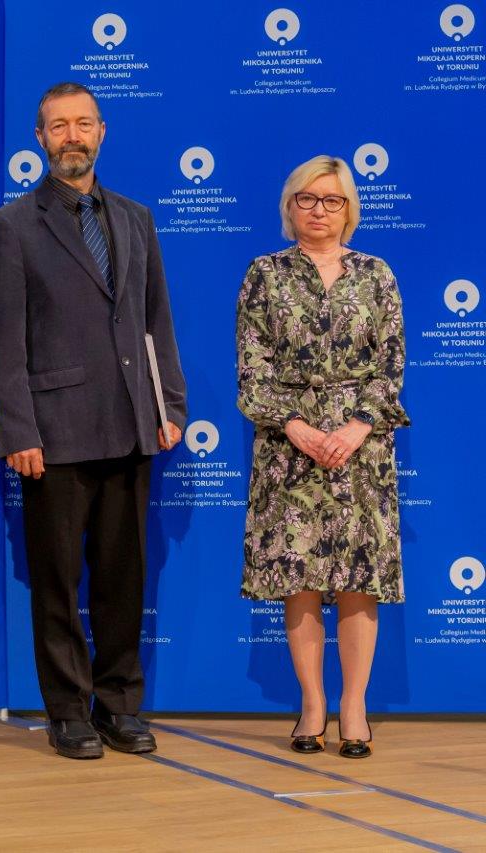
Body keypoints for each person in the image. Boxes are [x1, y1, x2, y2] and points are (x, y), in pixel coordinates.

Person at [0, 82, 186, 760]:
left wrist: (168, 406)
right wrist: (18, 430)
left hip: (130, 424)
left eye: (83, 124)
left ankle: (119, 704)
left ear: (102, 132)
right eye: (59, 125)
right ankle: (68, 711)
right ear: (40, 138)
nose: (72, 136)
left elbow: (156, 321)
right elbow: (3, 343)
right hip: (54, 434)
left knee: (124, 579)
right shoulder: (11, 226)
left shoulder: (135, 218)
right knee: (58, 583)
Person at [237, 155, 408, 759]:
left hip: (363, 448)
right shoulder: (264, 274)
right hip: (288, 447)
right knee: (299, 578)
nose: (319, 210)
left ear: (348, 209)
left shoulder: (377, 274)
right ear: (290, 207)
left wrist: (359, 426)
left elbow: (390, 365)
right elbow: (252, 371)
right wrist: (297, 427)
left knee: (361, 578)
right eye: (307, 199)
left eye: (332, 200)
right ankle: (312, 704)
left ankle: (354, 706)